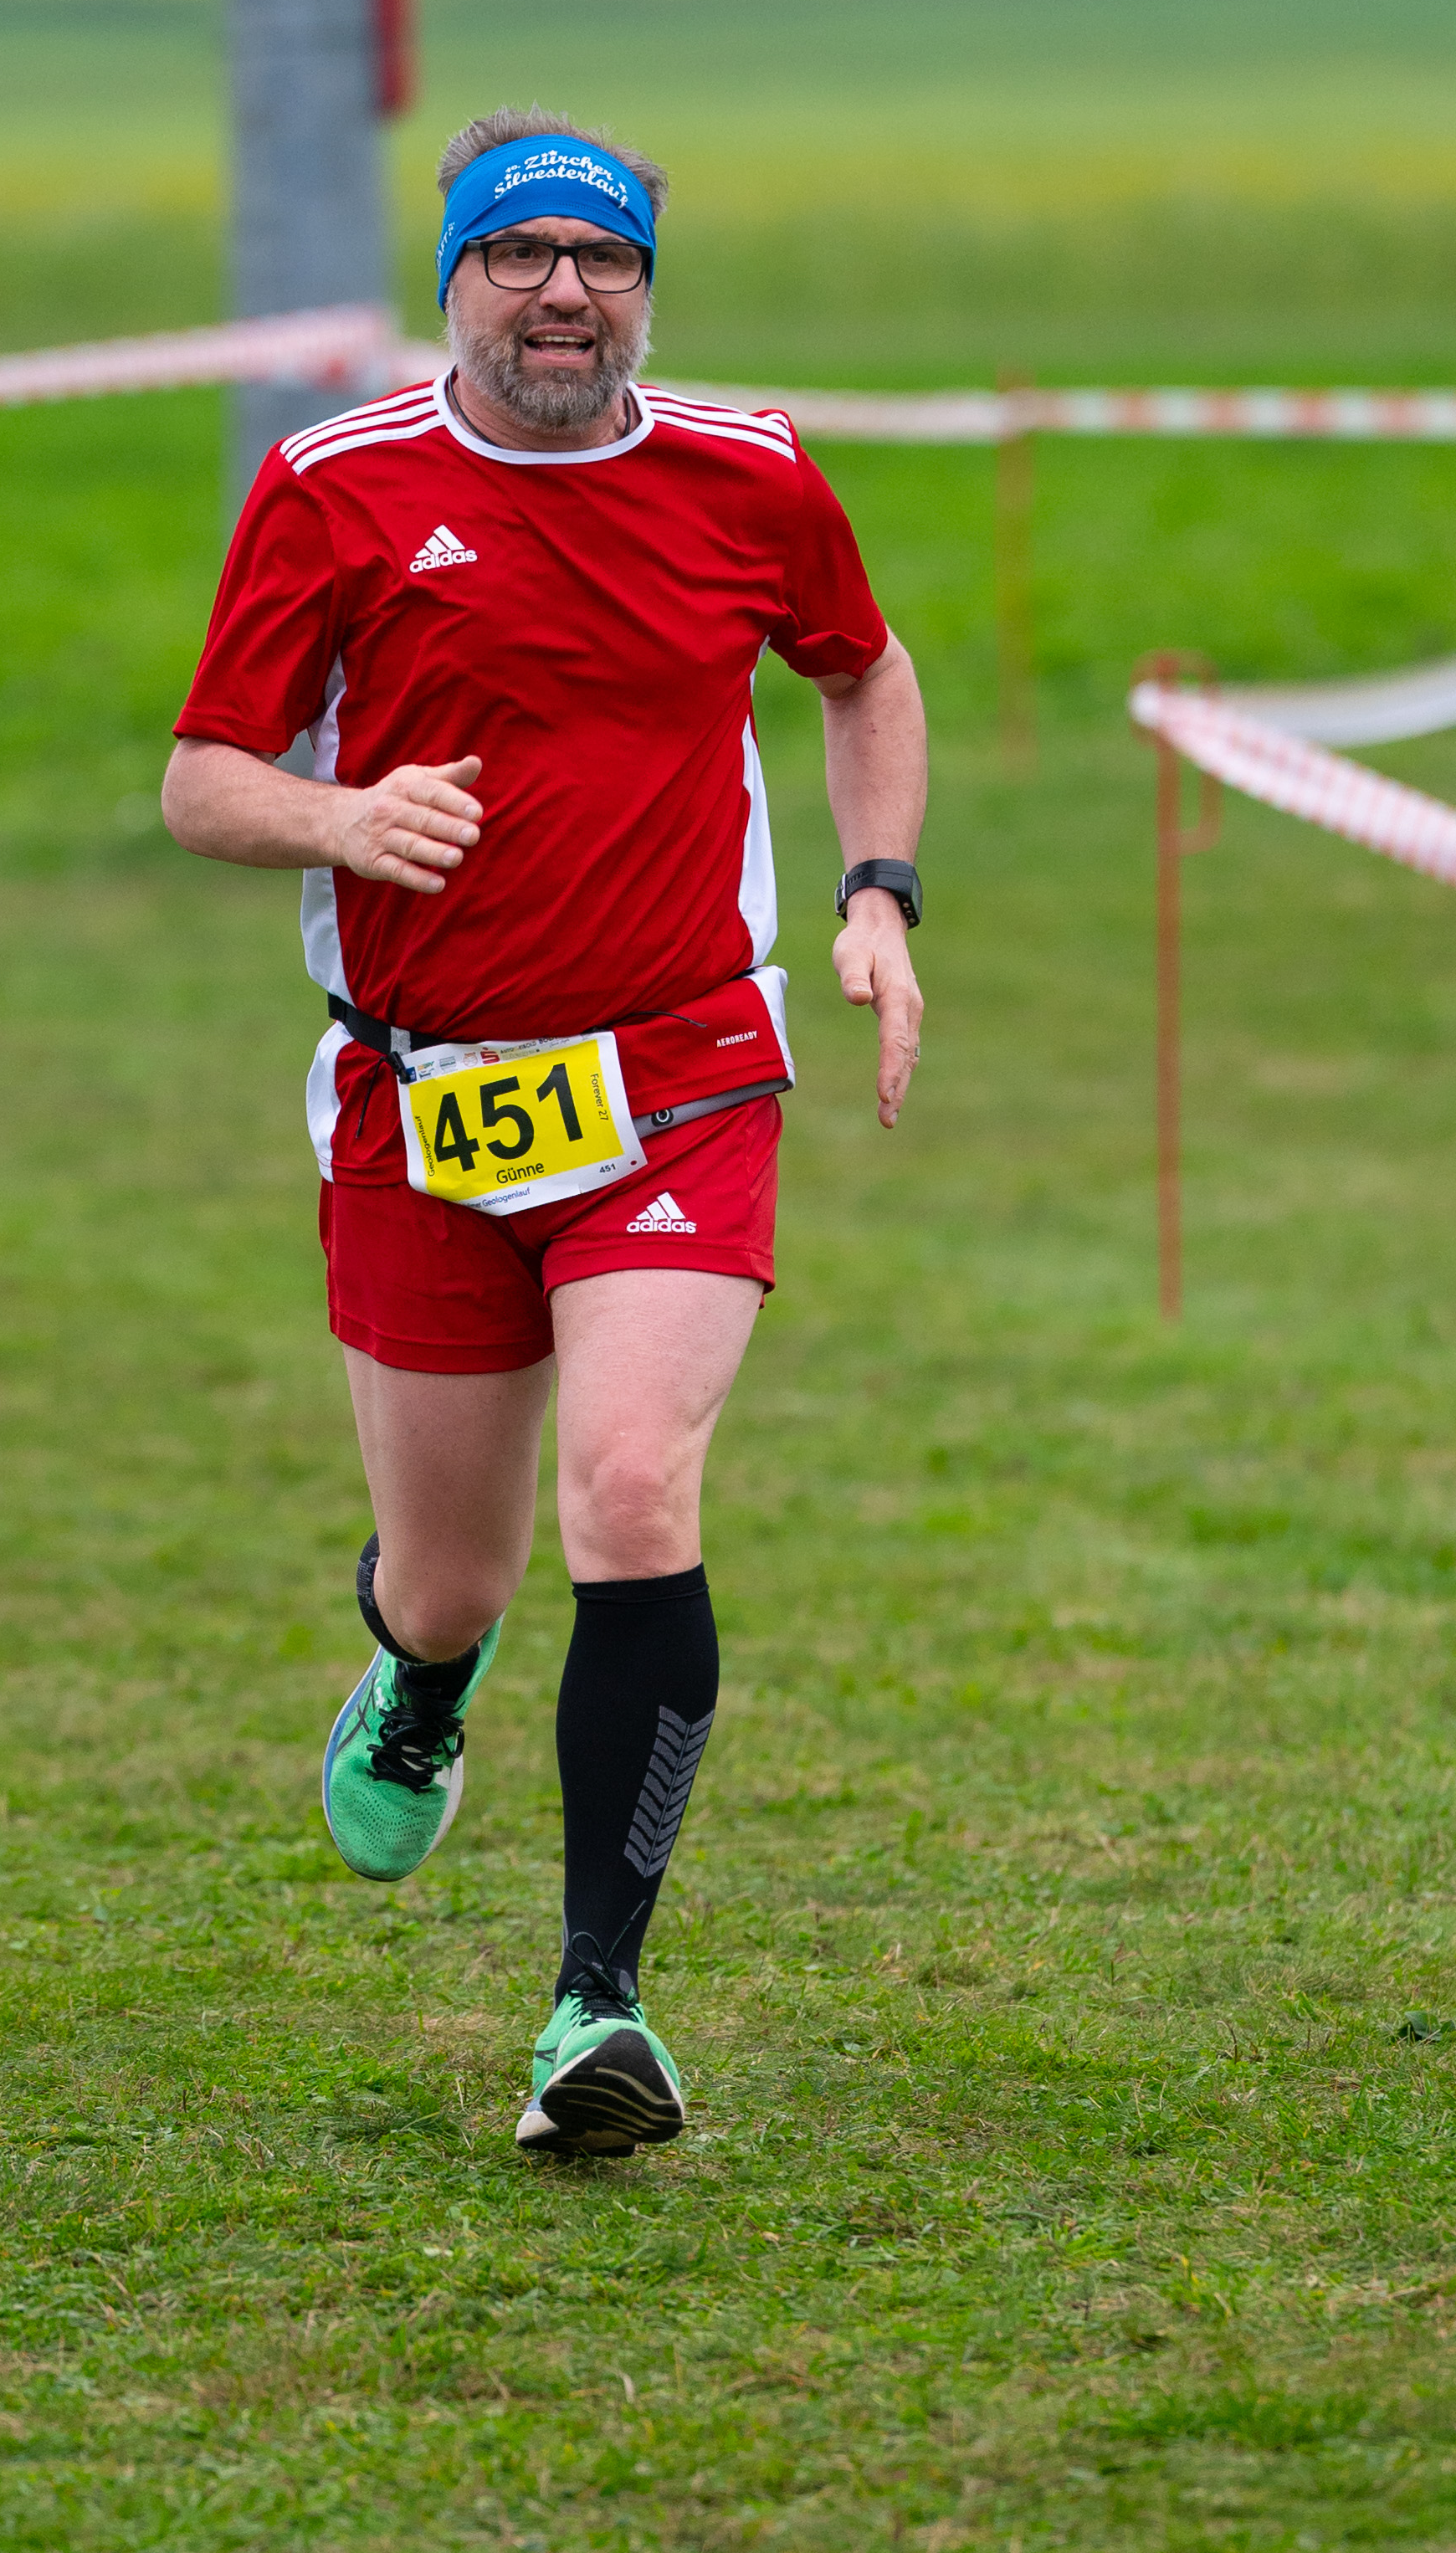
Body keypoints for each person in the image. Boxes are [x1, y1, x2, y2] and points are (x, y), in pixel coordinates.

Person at [163, 104, 925, 2159]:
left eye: (602, 260)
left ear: (645, 290)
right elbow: (203, 779)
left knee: (633, 1483)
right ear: (457, 284)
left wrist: (875, 894)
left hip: (681, 1067)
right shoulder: (334, 486)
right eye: (518, 257)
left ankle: (600, 2000)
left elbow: (864, 674)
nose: (562, 292)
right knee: (447, 1572)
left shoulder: (751, 471)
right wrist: (339, 816)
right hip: (424, 1092)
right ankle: (422, 1676)